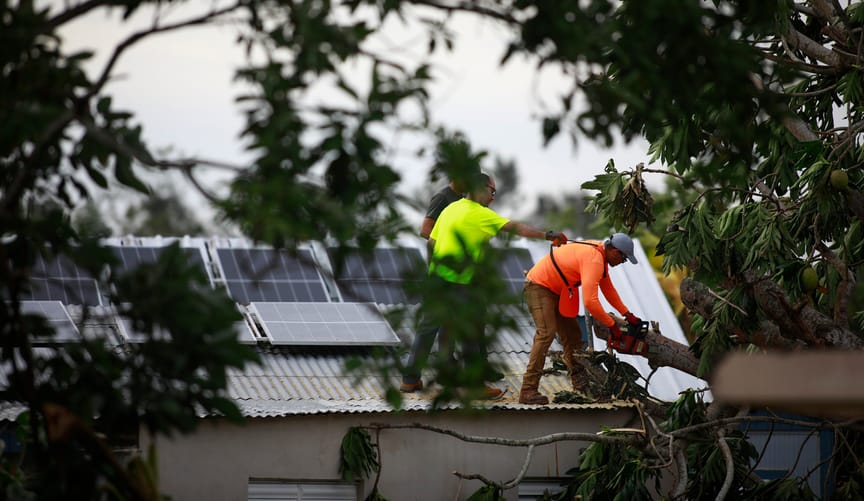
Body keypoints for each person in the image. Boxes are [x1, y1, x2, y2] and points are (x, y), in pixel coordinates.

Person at [401, 173, 567, 399]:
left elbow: (431, 242)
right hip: (459, 284)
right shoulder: (480, 214)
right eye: (492, 192)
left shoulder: (451, 209)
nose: (493, 197)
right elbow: (516, 228)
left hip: (438, 281)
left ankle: (410, 380)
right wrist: (548, 235)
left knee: (427, 330)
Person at [518, 233, 643, 405]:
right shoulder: (594, 259)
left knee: (573, 335)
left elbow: (609, 291)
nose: (623, 262)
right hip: (538, 287)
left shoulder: (600, 255)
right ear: (615, 251)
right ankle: (528, 390)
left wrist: (628, 315)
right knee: (546, 333)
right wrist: (612, 325)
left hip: (557, 291)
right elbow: (590, 302)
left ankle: (581, 386)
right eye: (624, 258)